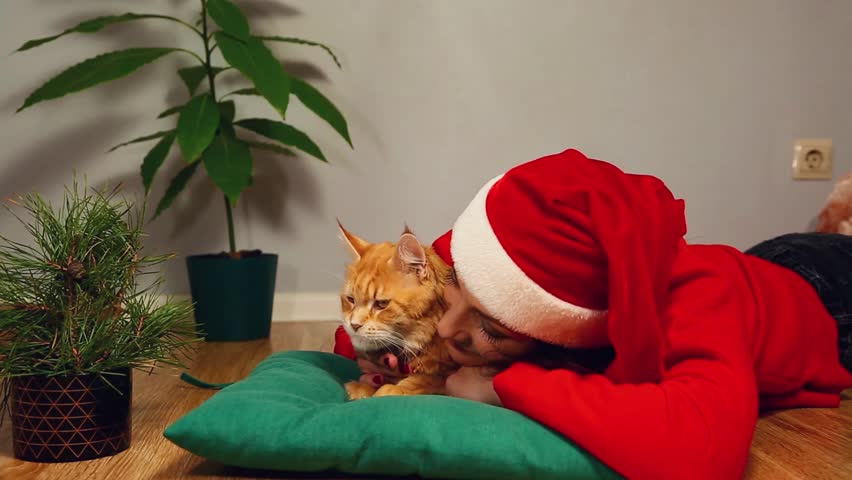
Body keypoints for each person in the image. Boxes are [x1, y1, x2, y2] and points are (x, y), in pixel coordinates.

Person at [333, 148, 852, 480]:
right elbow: (389, 308)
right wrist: (393, 359)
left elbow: (701, 457)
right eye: (453, 294)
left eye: (490, 329)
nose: (447, 328)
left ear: (566, 333)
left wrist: (502, 387)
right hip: (757, 259)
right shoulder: (480, 258)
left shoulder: (700, 301)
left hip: (825, 293)